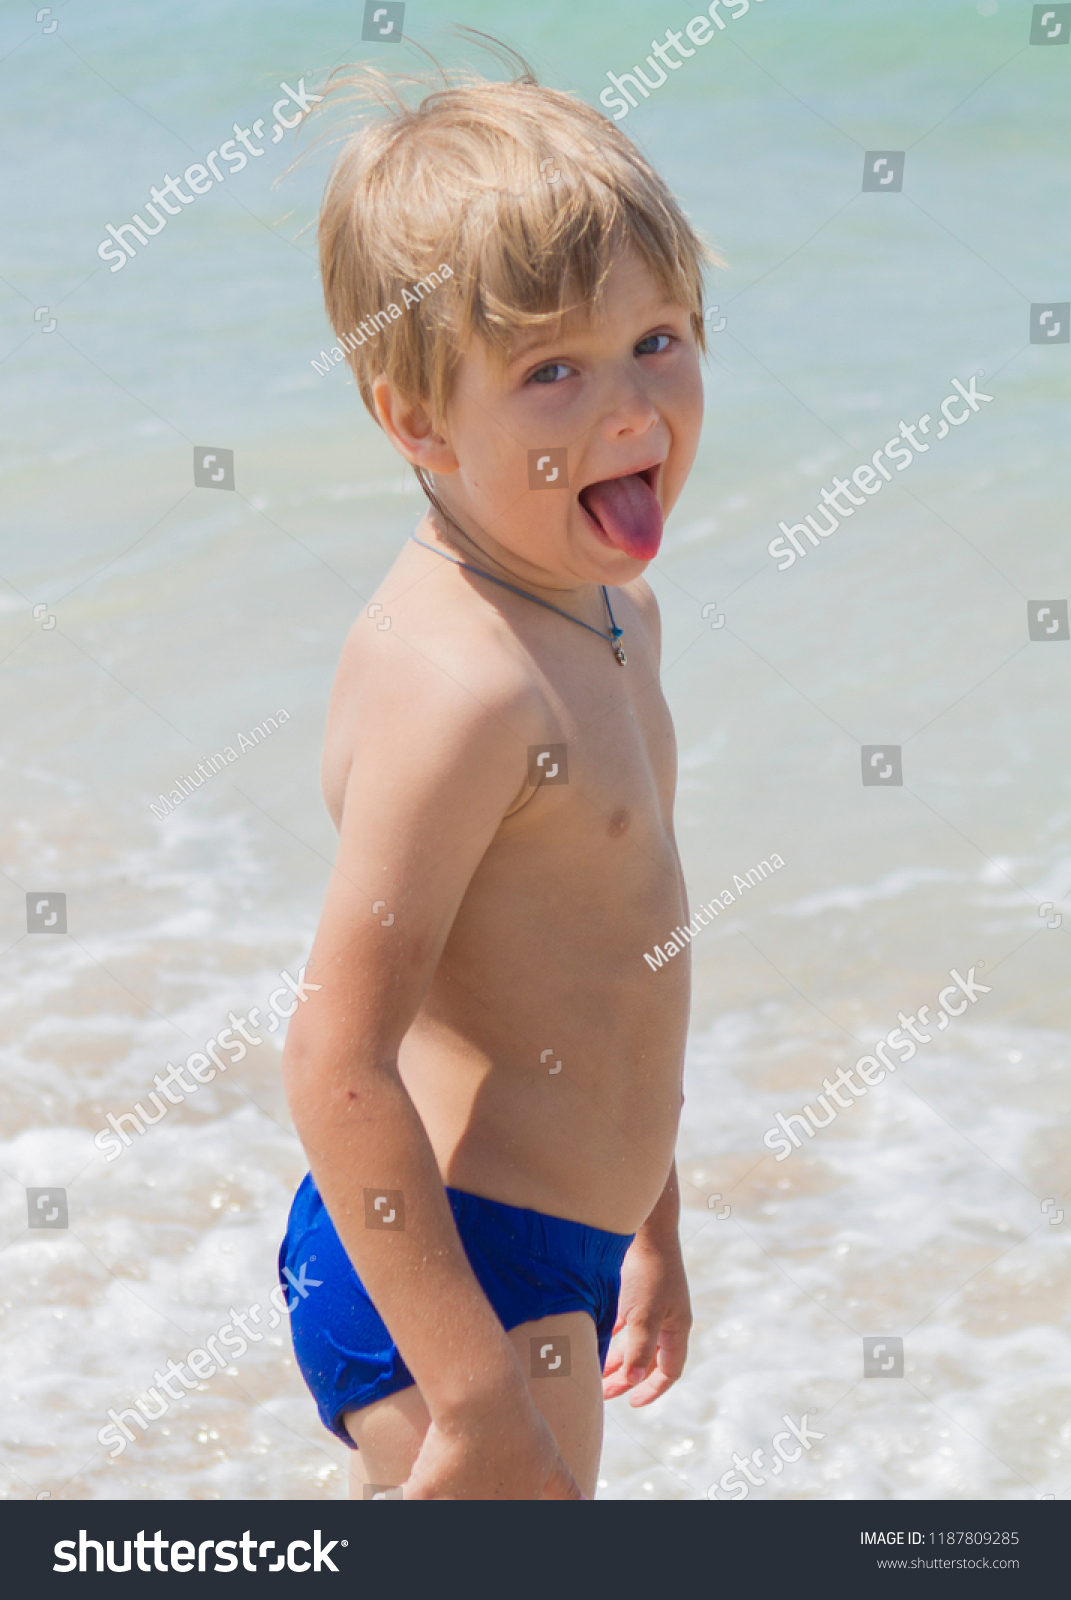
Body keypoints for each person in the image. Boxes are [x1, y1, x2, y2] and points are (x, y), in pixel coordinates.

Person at [279, 50, 713, 1500]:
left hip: (557, 1247)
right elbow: (334, 1054)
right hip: (450, 1262)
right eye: (552, 374)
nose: (631, 408)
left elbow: (613, 955)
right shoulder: (459, 686)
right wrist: (467, 1394)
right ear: (413, 420)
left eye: (659, 338)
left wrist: (650, 1220)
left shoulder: (613, 611)